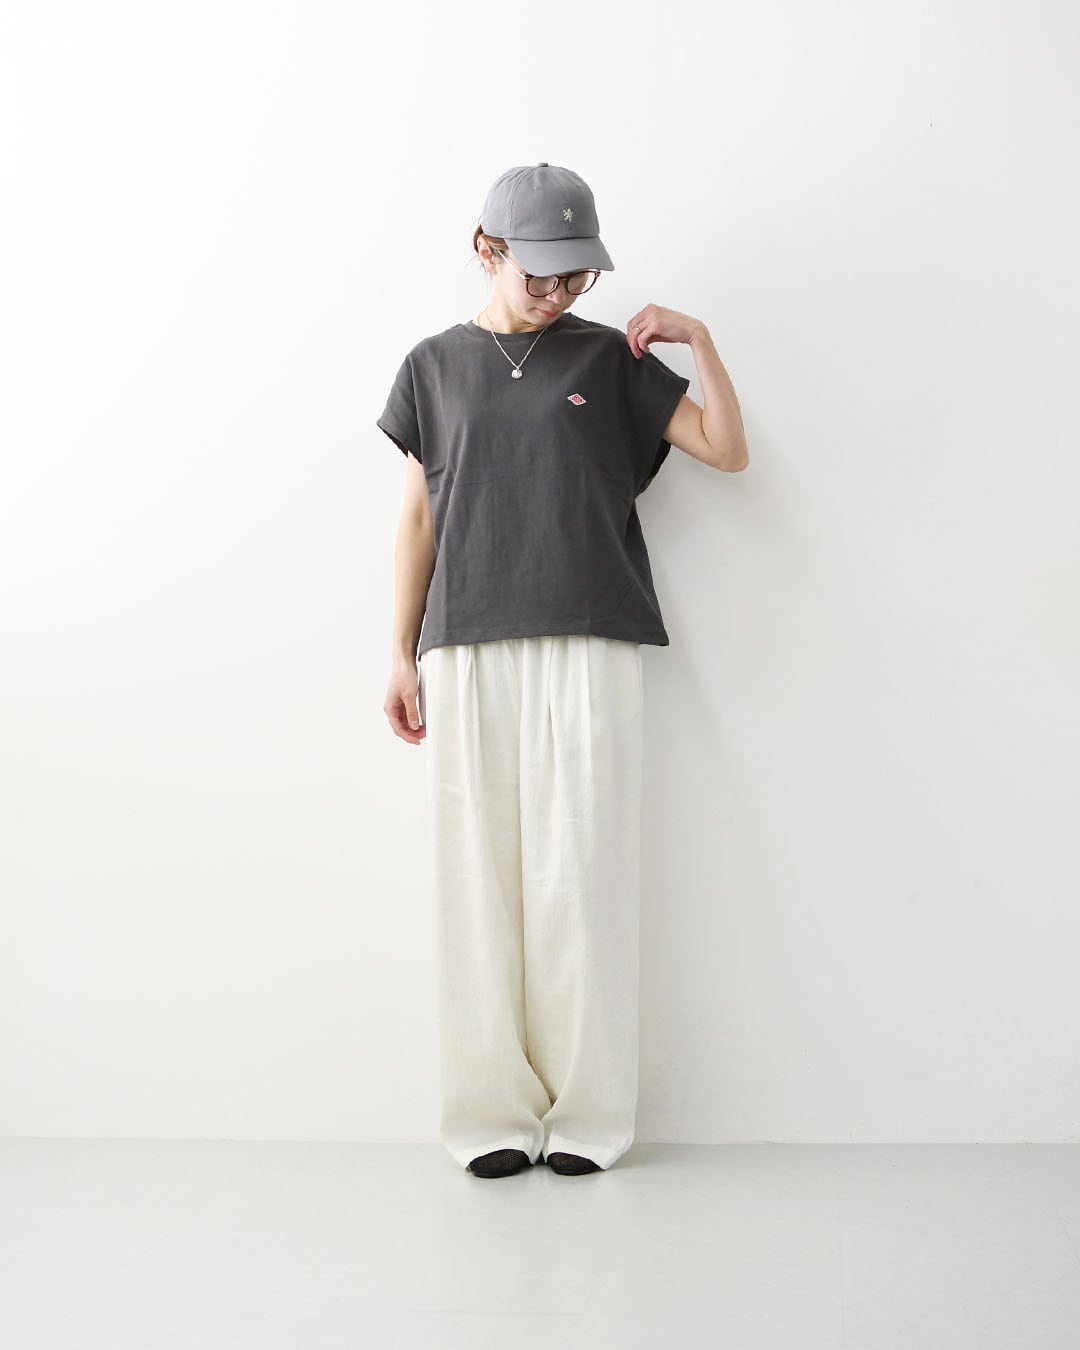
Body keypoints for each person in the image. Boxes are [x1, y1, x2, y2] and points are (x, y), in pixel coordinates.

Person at [378, 162, 748, 1180]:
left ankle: (588, 1113)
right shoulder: (432, 367)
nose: (558, 292)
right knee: (477, 882)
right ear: (488, 250)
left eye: (576, 275)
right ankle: (490, 1113)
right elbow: (418, 519)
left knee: (582, 875)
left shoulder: (605, 357)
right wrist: (399, 650)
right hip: (467, 639)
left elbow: (726, 450)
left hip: (590, 636)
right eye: (539, 272)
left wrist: (701, 342)